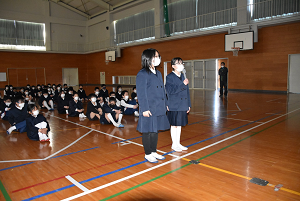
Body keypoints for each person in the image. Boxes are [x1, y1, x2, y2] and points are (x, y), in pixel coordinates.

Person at [136, 48, 170, 163]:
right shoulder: (142, 74)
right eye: (155, 56)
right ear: (148, 58)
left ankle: (154, 151)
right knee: (148, 131)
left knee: (155, 131)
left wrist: (166, 104)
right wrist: (144, 109)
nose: (158, 58)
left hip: (158, 107)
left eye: (158, 56)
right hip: (149, 108)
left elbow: (162, 90)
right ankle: (148, 153)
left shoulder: (159, 73)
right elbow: (141, 93)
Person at [165, 57, 191, 152]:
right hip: (174, 104)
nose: (181, 65)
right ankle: (174, 144)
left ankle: (178, 143)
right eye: (178, 63)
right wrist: (182, 85)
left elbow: (187, 91)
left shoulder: (183, 76)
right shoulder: (169, 77)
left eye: (181, 63)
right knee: (174, 125)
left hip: (183, 104)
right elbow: (170, 91)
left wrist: (188, 104)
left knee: (179, 124)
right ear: (173, 66)